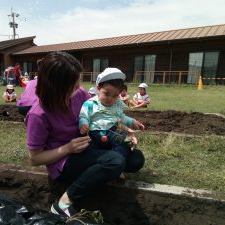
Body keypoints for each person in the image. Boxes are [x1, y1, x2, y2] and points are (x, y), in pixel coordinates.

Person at [26, 52, 145, 219]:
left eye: (78, 84)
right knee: (115, 161)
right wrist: (68, 148)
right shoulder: (38, 115)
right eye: (73, 87)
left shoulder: (78, 94)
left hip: (88, 147)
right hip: (65, 161)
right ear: (56, 86)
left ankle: (101, 172)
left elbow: (103, 114)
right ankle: (63, 203)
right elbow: (35, 159)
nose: (78, 90)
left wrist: (125, 129)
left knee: (135, 159)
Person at [79, 68, 145, 179]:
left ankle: (117, 166)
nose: (110, 99)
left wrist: (133, 121)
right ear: (98, 88)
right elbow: (83, 116)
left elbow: (121, 117)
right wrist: (83, 123)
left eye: (115, 96)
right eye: (106, 94)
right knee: (89, 147)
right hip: (95, 134)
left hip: (113, 132)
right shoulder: (90, 103)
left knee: (122, 144)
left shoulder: (117, 104)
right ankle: (96, 168)